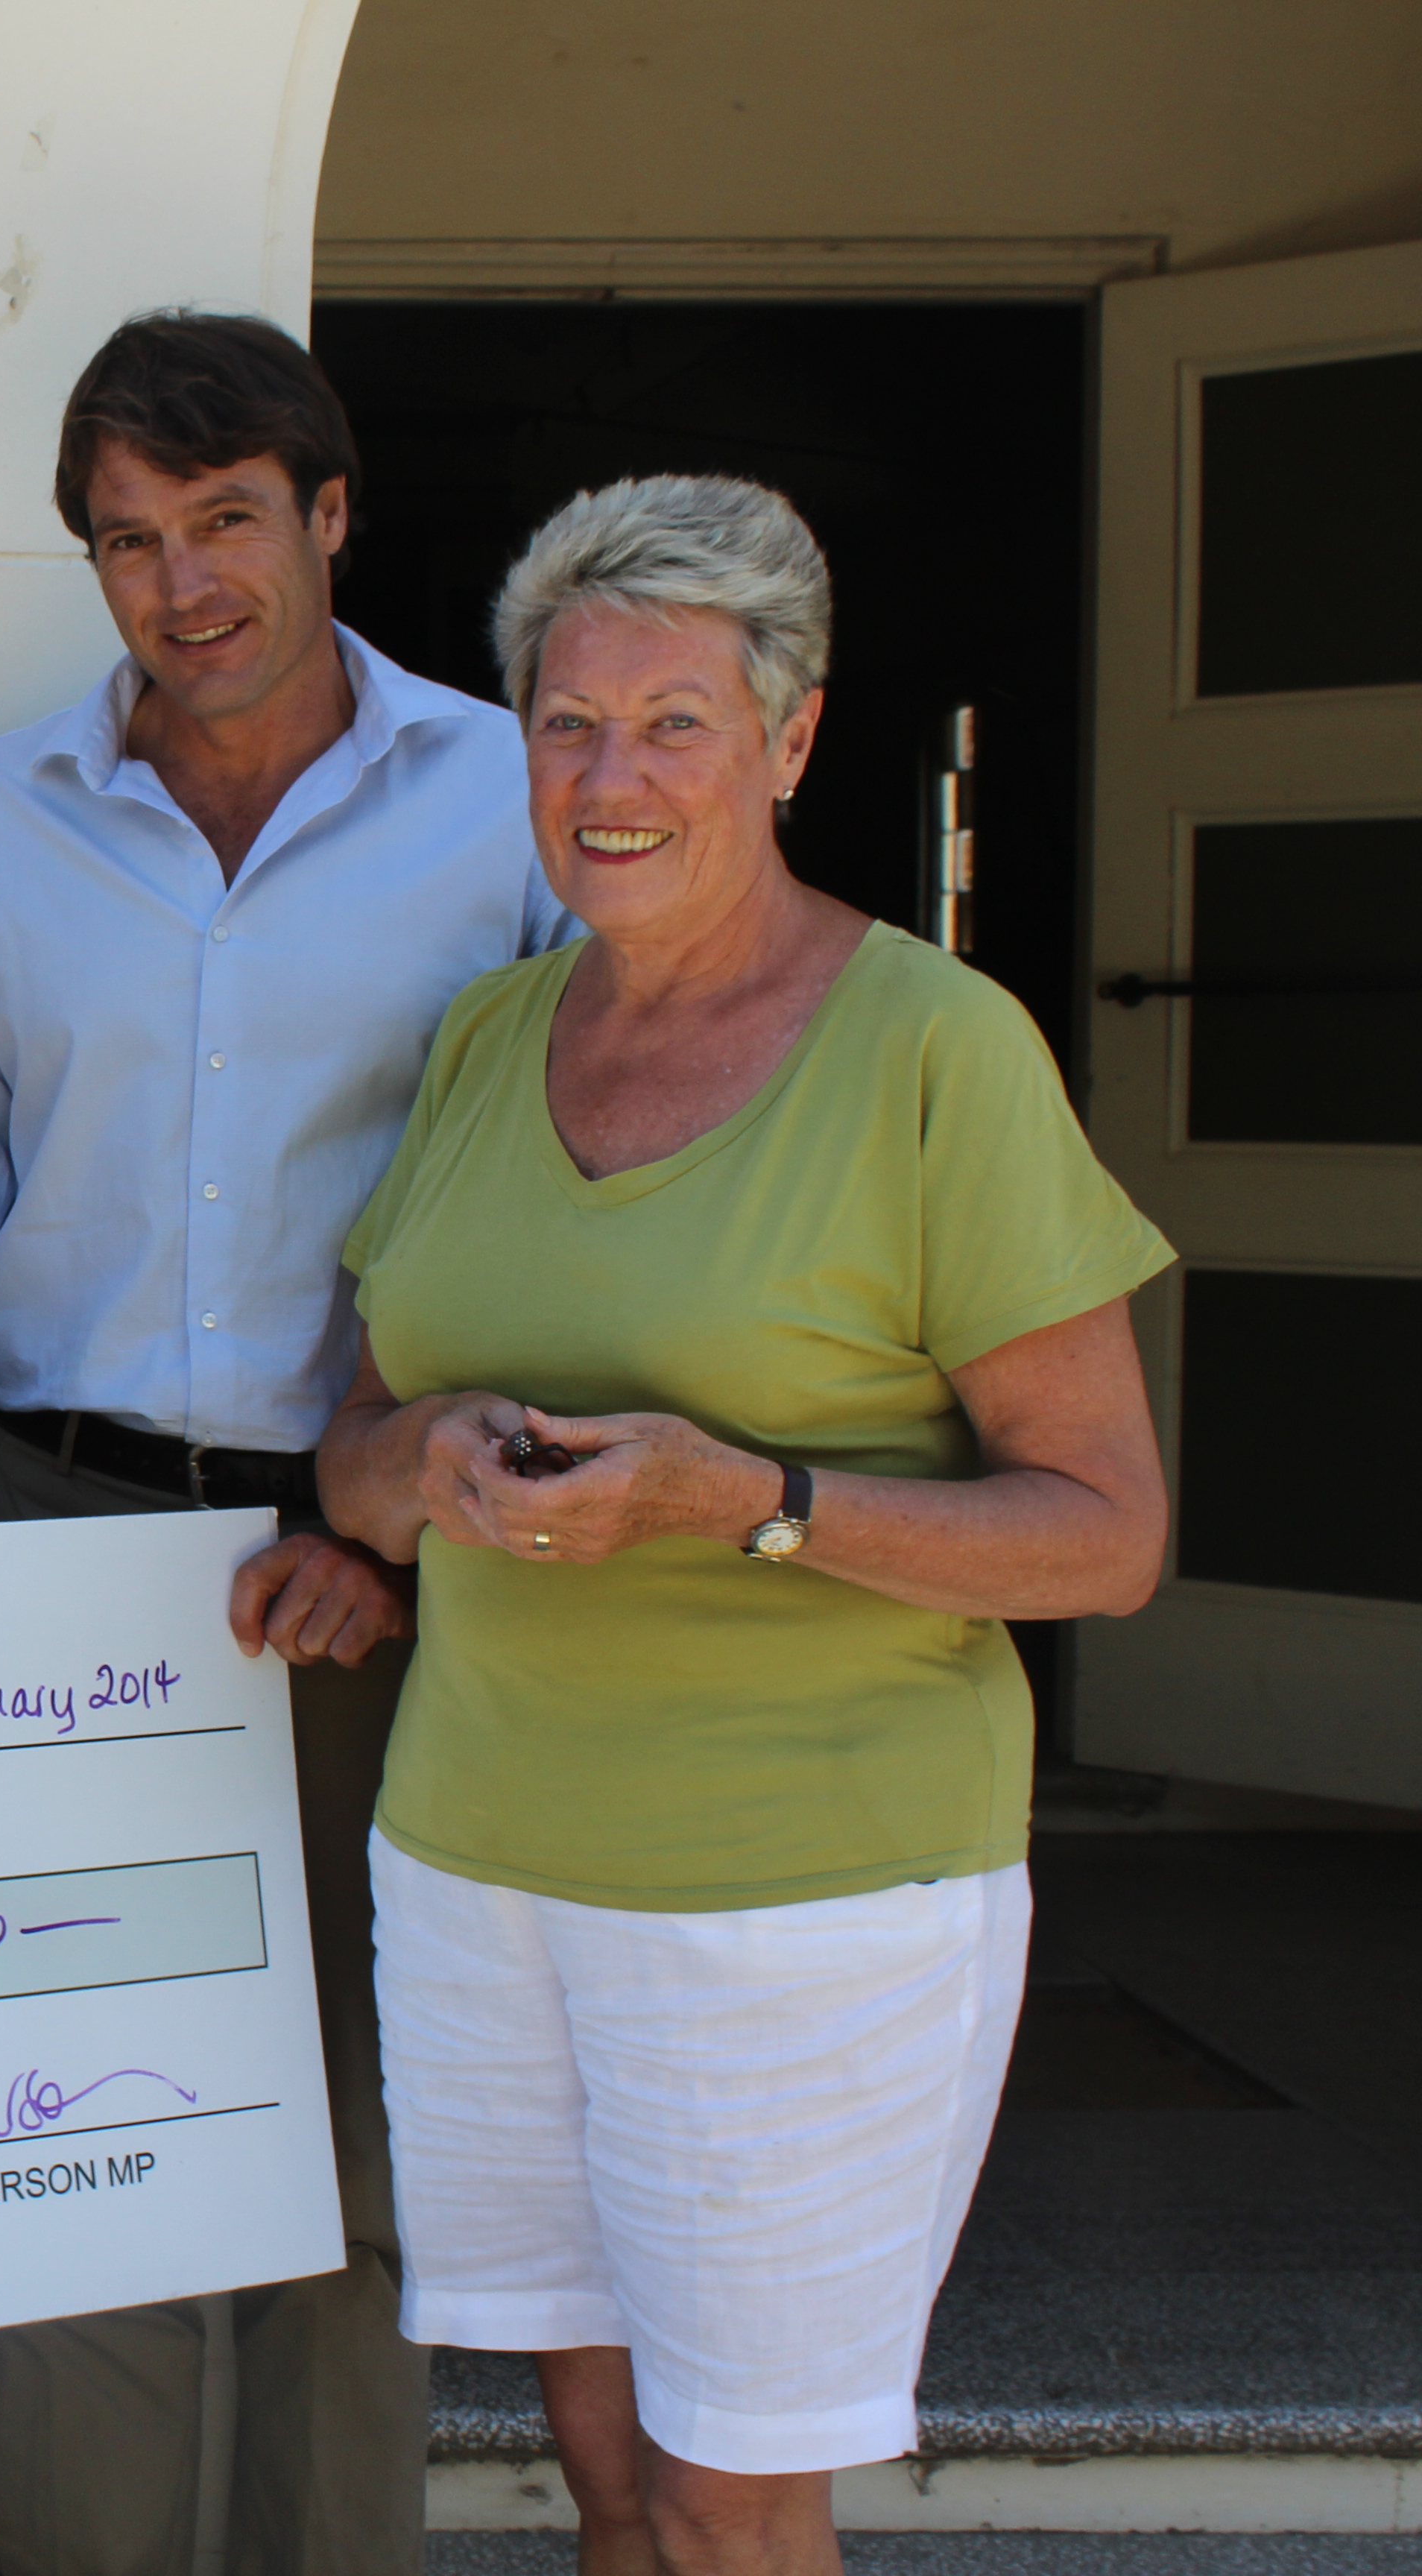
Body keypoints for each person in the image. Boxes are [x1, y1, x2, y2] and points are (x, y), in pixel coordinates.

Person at [0, 309, 569, 2576]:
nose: (183, 588)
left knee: (348, 2179)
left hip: (385, 1574)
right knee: (75, 2165)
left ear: (333, 514)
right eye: (127, 542)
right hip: (52, 1550)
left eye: (227, 525)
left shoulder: (505, 806)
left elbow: (564, 1209)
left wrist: (402, 1526)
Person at [318, 475, 1171, 2576]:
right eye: (565, 724)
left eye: (673, 723)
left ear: (789, 744)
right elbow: (352, 1452)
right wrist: (414, 1467)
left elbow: (1104, 1535)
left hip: (805, 1899)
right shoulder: (488, 1040)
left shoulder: (935, 1053)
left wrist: (753, 1504)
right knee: (601, 2478)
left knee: (728, 2499)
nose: (610, 779)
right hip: (484, 1864)